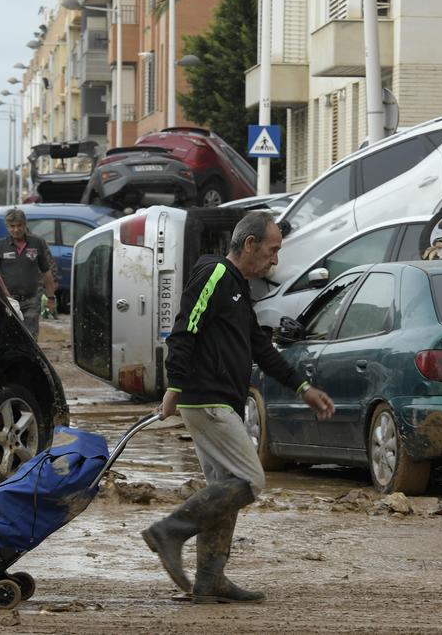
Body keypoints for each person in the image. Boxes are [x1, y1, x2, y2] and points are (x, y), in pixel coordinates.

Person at [141, 210, 335, 604]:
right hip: (206, 398)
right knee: (250, 481)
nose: (275, 260)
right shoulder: (214, 274)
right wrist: (174, 386)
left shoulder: (238, 289)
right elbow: (184, 328)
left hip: (217, 399)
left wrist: (302, 387)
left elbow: (261, 347)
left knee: (224, 490)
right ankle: (170, 531)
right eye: (272, 249)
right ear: (250, 244)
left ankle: (210, 581)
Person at [0, 208, 56, 341]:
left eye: (19, 225)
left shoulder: (36, 243)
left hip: (31, 300)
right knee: (9, 336)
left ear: (25, 224)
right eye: (12, 226)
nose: (16, 229)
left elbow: (46, 271)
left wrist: (51, 297)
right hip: (9, 301)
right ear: (7, 227)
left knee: (30, 338)